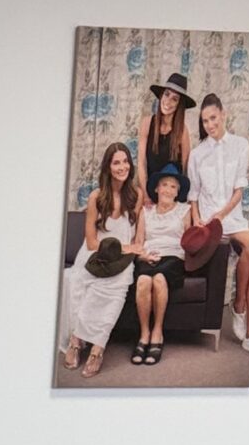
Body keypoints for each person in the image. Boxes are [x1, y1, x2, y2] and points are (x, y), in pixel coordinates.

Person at [60, 142, 142, 376]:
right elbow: (92, 242)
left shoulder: (136, 195)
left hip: (123, 259)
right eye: (116, 163)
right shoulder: (96, 197)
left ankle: (98, 348)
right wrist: (126, 247)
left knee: (116, 290)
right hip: (95, 256)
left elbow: (138, 237)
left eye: (125, 161)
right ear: (108, 167)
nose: (122, 167)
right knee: (84, 285)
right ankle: (76, 341)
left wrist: (136, 250)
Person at [188, 91, 249, 352]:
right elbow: (193, 195)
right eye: (205, 120)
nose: (210, 124)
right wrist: (198, 221)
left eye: (213, 118)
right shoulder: (197, 154)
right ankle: (246, 324)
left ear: (223, 115)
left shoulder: (240, 145)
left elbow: (239, 191)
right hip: (209, 222)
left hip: (231, 216)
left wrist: (222, 214)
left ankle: (241, 310)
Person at [130, 166, 189, 366]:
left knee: (159, 279)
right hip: (148, 255)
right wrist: (143, 256)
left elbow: (189, 242)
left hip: (173, 256)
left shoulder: (185, 210)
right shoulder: (145, 211)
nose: (168, 190)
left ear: (177, 192)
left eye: (173, 187)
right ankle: (144, 334)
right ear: (156, 189)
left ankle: (157, 332)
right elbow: (139, 241)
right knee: (143, 281)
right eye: (164, 185)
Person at [142, 70, 192, 195]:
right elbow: (142, 163)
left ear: (179, 105)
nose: (168, 101)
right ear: (161, 96)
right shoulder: (147, 123)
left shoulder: (183, 131)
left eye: (174, 99)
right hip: (150, 192)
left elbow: (186, 170)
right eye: (166, 94)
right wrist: (146, 195)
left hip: (171, 195)